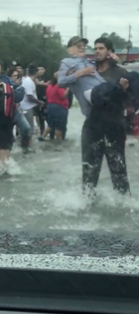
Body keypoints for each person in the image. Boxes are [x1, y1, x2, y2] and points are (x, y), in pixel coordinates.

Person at [58, 35, 131, 195]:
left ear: (110, 51)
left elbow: (128, 99)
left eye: (101, 48)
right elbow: (63, 79)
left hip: (114, 125)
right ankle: (87, 206)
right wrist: (74, 74)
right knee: (89, 172)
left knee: (118, 170)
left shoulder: (120, 72)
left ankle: (123, 207)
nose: (97, 51)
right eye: (95, 48)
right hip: (92, 126)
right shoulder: (86, 68)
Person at [19, 65, 44, 149]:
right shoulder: (29, 82)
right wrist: (39, 102)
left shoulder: (28, 80)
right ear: (36, 72)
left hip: (26, 108)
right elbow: (29, 96)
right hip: (27, 108)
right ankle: (28, 148)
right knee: (29, 130)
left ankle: (26, 147)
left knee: (26, 130)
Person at [44, 72, 70, 141]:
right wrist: (68, 88)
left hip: (50, 107)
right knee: (59, 126)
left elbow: (47, 96)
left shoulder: (49, 86)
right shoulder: (59, 86)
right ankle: (58, 141)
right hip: (59, 108)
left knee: (50, 124)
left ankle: (43, 136)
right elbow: (63, 96)